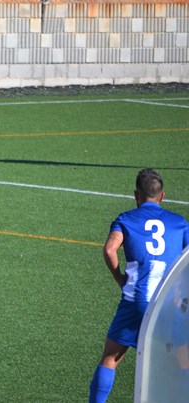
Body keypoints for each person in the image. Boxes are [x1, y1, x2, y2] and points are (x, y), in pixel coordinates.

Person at [89, 168, 189, 403]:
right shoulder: (179, 223)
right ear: (162, 196)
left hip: (136, 300)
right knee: (181, 360)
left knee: (111, 359)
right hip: (167, 304)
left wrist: (121, 280)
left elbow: (109, 249)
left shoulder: (125, 219)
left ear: (136, 195)